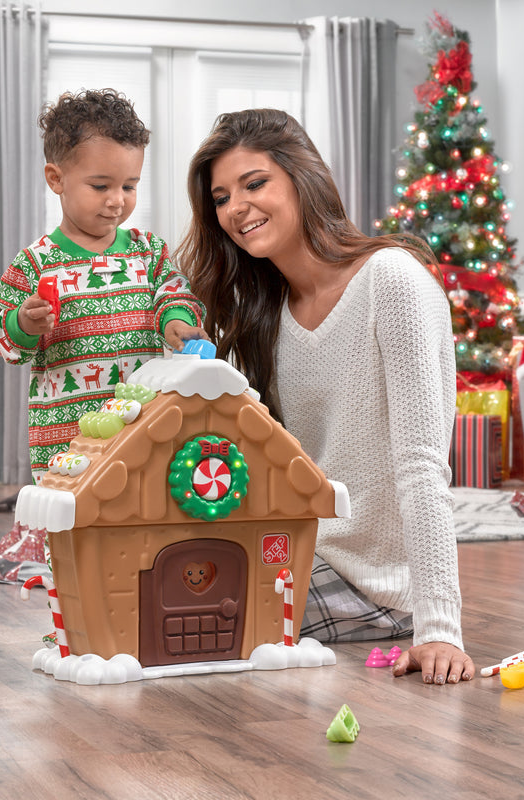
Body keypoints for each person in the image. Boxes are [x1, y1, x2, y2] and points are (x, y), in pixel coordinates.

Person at [177, 108, 474, 685]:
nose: (236, 208)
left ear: (301, 178)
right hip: (297, 550)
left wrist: (439, 628)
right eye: (220, 197)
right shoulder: (268, 317)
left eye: (254, 183)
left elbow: (422, 465)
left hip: (373, 582)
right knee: (158, 580)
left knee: (188, 617)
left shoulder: (392, 280)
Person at [0, 89, 206, 482]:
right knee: (72, 525)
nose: (117, 201)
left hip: (143, 426)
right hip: (67, 439)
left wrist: (174, 319)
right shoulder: (34, 264)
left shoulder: (147, 251)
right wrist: (22, 323)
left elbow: (174, 291)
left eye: (129, 186)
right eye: (101, 186)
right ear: (57, 179)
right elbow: (3, 341)